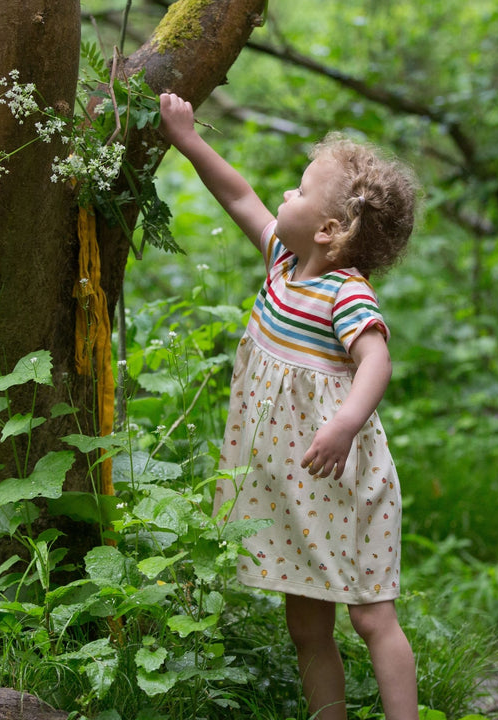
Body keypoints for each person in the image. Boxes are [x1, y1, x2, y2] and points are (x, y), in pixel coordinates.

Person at [159, 92, 420, 720]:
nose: (285, 197)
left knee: (370, 614)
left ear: (329, 231)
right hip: (295, 489)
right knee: (306, 625)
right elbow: (241, 198)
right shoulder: (284, 261)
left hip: (344, 482)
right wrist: (188, 140)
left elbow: (376, 360)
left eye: (301, 192)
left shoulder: (343, 291)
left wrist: (346, 423)